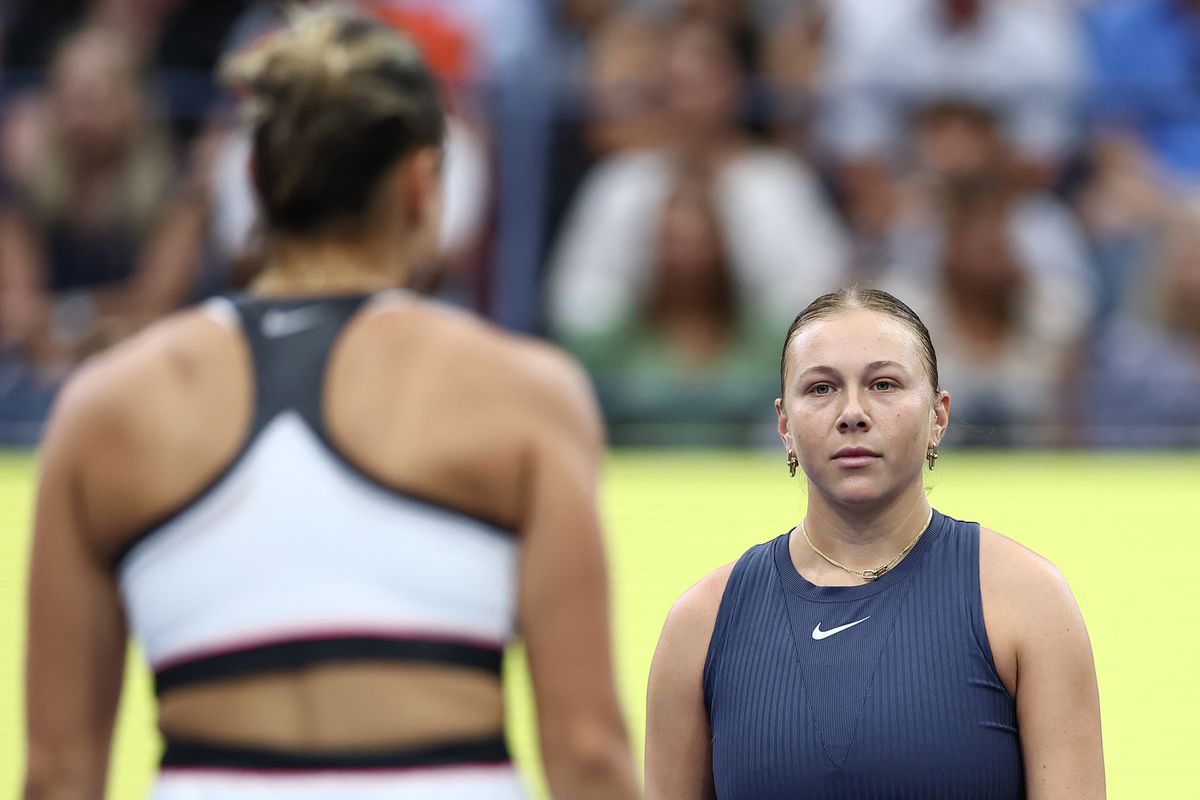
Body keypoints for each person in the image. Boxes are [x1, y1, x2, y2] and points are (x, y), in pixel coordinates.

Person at [23, 10, 638, 800]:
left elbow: (57, 774)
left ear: (253, 181)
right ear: (423, 184)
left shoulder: (107, 407)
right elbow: (586, 753)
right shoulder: (521, 395)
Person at [645, 287, 1105, 798]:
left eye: (883, 384)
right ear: (784, 425)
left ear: (938, 416)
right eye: (821, 389)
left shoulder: (1028, 602)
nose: (853, 412)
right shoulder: (700, 624)